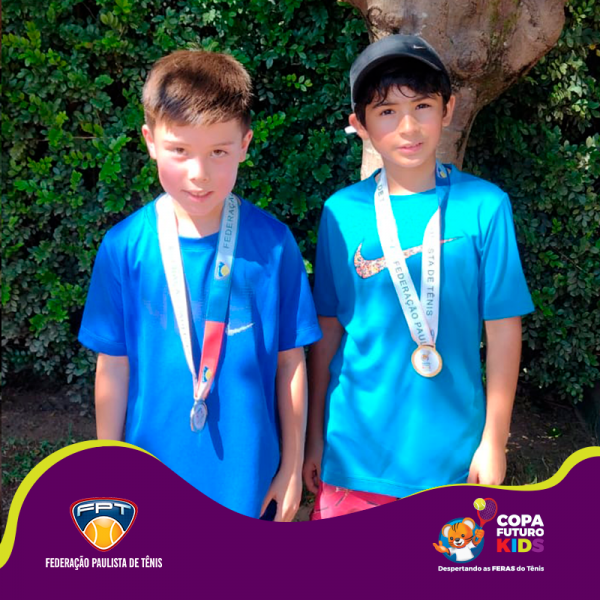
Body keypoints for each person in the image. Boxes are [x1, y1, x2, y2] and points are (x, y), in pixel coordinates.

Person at [79, 50, 321, 521]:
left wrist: (291, 467)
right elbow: (113, 366)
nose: (199, 173)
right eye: (180, 151)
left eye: (218, 152)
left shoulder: (273, 244)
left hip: (249, 487)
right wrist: (109, 466)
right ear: (150, 141)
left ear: (245, 144)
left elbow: (291, 361)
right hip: (148, 483)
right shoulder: (124, 247)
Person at [303, 34, 534, 519]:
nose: (408, 127)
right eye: (386, 111)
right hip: (353, 453)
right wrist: (313, 437)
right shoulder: (341, 212)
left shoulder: (485, 206)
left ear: (448, 109)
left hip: (452, 458)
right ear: (360, 125)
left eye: (422, 106)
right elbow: (328, 329)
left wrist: (494, 439)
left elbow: (503, 329)